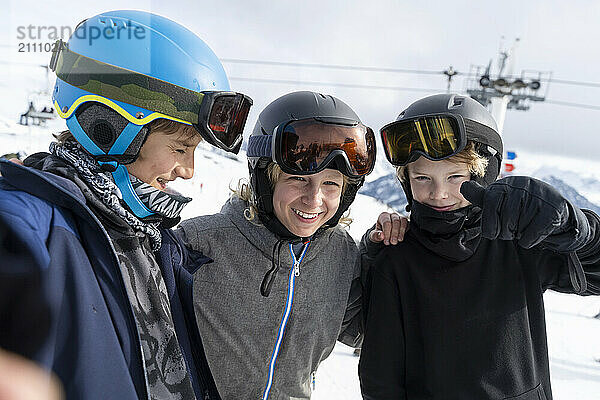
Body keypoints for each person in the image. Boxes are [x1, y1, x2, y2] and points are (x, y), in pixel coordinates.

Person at [0, 10, 252, 400]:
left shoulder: (150, 240)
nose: (187, 170)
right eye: (181, 148)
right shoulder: (30, 227)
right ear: (110, 127)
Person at [358, 93, 600, 399]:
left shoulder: (519, 241)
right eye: (422, 178)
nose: (439, 193)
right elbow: (381, 377)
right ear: (406, 181)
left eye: (455, 176)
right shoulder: (398, 256)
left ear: (483, 174)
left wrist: (576, 229)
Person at [177, 90, 378, 400]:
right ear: (266, 180)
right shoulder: (199, 244)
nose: (314, 200)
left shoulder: (342, 256)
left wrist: (394, 259)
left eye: (330, 184)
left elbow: (368, 330)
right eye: (298, 179)